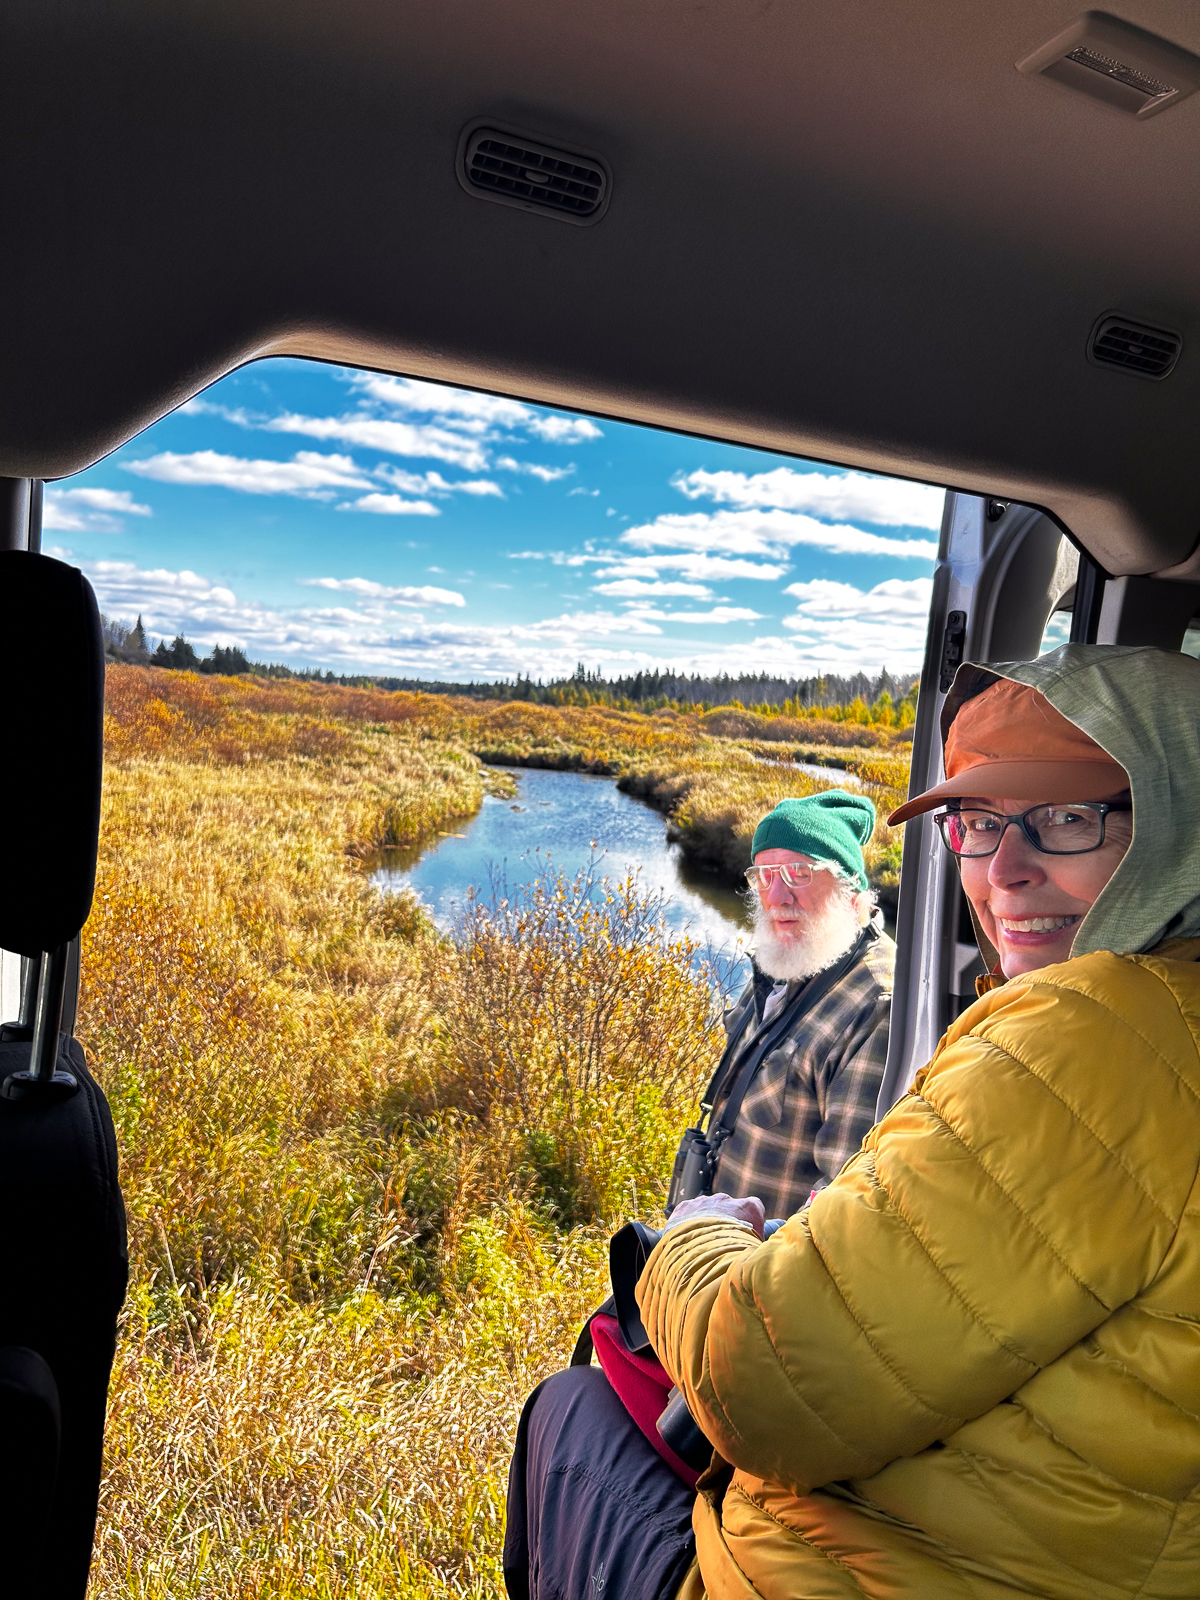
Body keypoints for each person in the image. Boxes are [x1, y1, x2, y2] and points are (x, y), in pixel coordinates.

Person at [504, 642, 1200, 1600]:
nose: (1004, 873)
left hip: (819, 1565)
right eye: (979, 822)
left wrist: (687, 1246)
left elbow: (773, 1381)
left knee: (568, 1410)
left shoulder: (1082, 1031)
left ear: (1180, 818)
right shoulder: (780, 980)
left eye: (1070, 819)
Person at [693, 789, 894, 1219]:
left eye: (799, 873)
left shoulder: (877, 1004)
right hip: (709, 1253)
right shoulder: (784, 964)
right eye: (764, 876)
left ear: (847, 885)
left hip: (764, 1275)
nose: (778, 896)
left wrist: (751, 1268)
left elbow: (842, 1202)